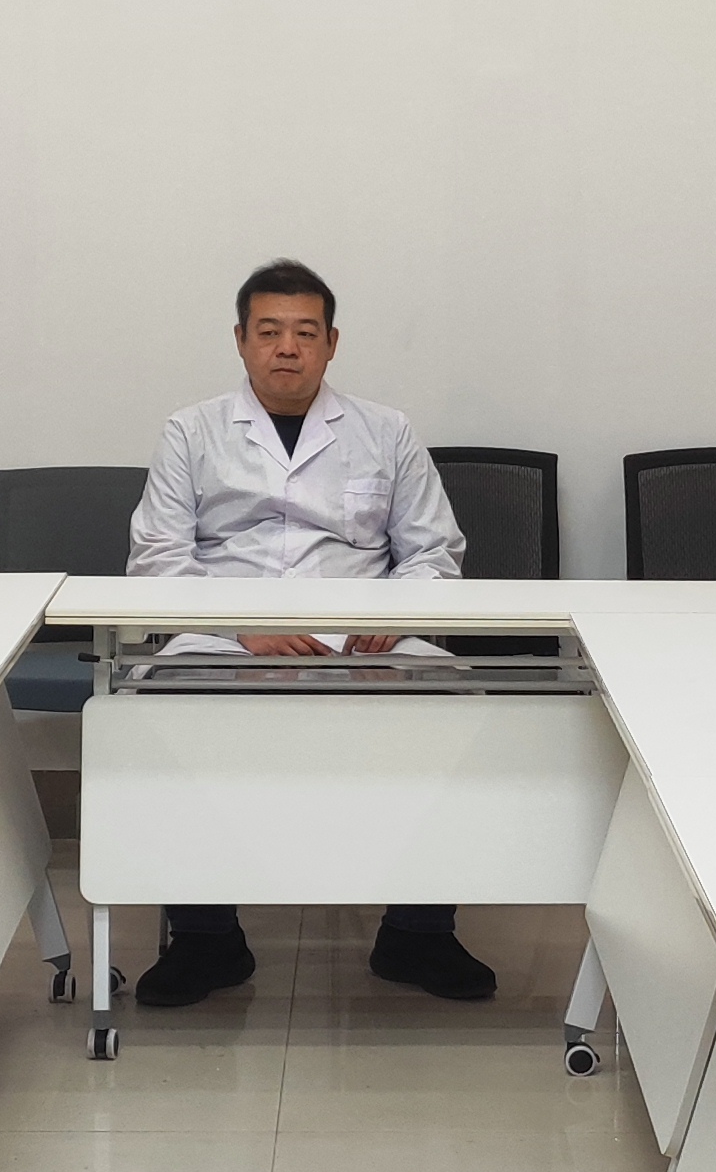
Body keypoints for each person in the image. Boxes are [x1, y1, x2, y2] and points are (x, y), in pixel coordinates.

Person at [124, 257, 493, 1007]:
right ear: (240, 339)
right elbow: (157, 556)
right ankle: (205, 939)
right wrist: (244, 627)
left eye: (304, 332)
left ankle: (419, 934)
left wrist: (387, 616)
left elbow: (433, 551)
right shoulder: (192, 431)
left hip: (366, 631)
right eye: (269, 332)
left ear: (331, 343)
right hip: (225, 630)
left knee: (452, 703)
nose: (287, 348)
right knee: (159, 710)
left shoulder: (386, 431)